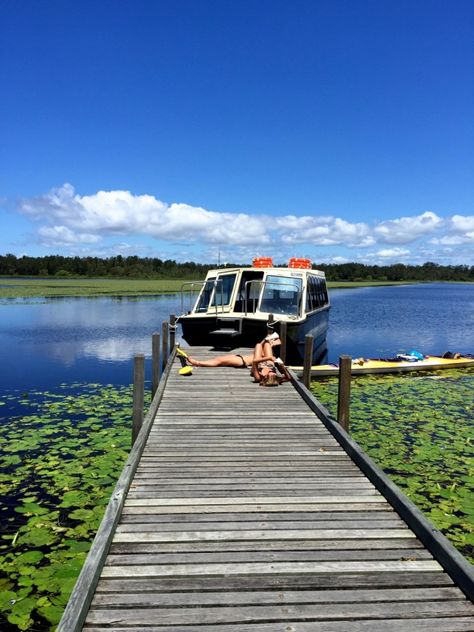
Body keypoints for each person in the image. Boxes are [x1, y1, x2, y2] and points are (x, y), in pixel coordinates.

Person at [176, 333, 291, 386]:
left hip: (244, 361)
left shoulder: (260, 377)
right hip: (256, 359)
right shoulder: (275, 377)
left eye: (270, 374)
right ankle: (271, 342)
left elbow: (256, 358)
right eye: (272, 373)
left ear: (266, 377)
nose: (271, 373)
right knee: (264, 344)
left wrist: (268, 356)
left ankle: (197, 362)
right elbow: (288, 377)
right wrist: (282, 367)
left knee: (220, 360)